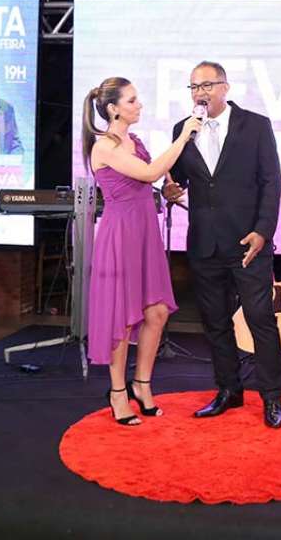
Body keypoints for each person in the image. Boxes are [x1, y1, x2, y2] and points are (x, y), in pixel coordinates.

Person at [164, 61, 281, 428]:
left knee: (260, 320)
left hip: (248, 243)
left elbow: (272, 182)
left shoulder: (256, 125)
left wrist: (263, 231)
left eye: (207, 85)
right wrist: (170, 189)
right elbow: (179, 178)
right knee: (215, 323)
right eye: (194, 87)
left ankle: (272, 397)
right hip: (204, 243)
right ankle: (229, 390)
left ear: (225, 87)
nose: (200, 93)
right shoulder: (183, 129)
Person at [83, 77, 201, 426]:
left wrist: (168, 191)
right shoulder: (104, 146)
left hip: (145, 232)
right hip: (120, 236)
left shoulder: (133, 141)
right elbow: (149, 172)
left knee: (157, 311)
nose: (139, 105)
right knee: (122, 317)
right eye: (132, 100)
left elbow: (147, 182)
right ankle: (117, 392)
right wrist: (183, 136)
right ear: (113, 109)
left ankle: (142, 384)